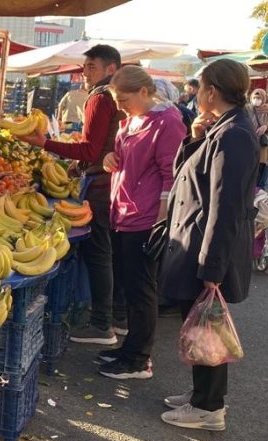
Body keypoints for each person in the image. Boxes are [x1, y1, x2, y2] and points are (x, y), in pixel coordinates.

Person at [160, 60, 256, 431]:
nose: (197, 93)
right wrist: (195, 137)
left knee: (208, 326)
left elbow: (225, 206)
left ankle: (209, 407)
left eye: (200, 87)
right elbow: (185, 177)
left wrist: (212, 265)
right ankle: (202, 394)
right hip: (199, 240)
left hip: (207, 244)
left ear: (212, 91)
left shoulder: (235, 134)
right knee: (199, 321)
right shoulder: (222, 128)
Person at [18, 44, 126, 346]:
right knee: (111, 252)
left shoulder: (100, 97)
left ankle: (102, 325)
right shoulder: (119, 97)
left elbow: (90, 149)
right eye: (85, 66)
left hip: (101, 185)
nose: (85, 72)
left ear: (111, 69)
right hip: (114, 182)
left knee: (99, 254)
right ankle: (119, 317)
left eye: (91, 66)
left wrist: (44, 143)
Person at [96, 67, 186, 379]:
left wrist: (160, 222)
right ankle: (130, 348)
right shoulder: (132, 121)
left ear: (144, 92)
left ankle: (138, 359)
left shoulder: (167, 122)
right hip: (123, 213)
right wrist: (109, 159)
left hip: (145, 219)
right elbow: (124, 161)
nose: (120, 106)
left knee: (141, 289)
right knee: (129, 286)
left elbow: (171, 175)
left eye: (124, 99)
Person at [246, 88, 268, 189]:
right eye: (254, 98)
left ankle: (259, 191)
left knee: (260, 171)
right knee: (248, 170)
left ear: (264, 98)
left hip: (262, 146)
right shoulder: (246, 109)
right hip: (248, 144)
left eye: (259, 98)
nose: (256, 100)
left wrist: (266, 126)